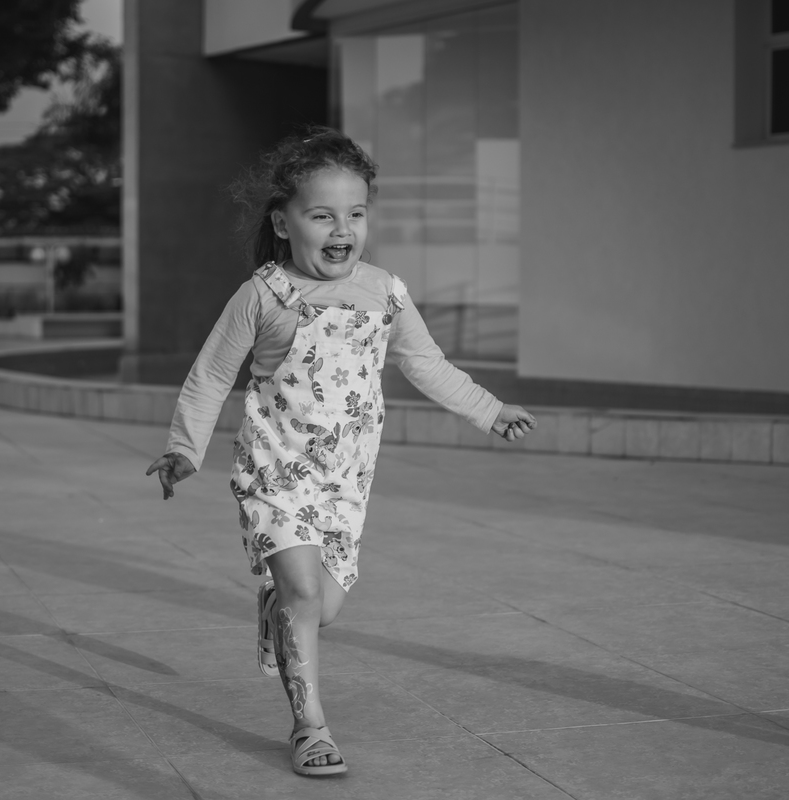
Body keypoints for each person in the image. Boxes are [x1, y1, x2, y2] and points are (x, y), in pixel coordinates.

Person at [147, 127, 535, 777]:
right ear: (283, 221)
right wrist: (184, 447)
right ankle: (310, 726)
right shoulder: (264, 295)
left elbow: (426, 363)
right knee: (302, 590)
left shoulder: (385, 292)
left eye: (355, 214)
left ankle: (279, 608)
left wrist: (489, 410)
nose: (341, 229)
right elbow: (212, 373)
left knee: (321, 606)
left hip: (343, 483)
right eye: (322, 214)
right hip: (274, 469)